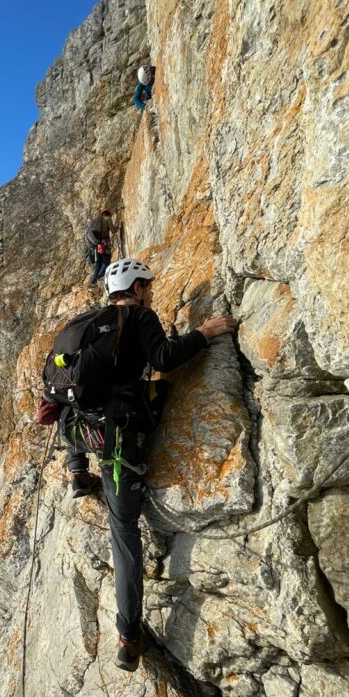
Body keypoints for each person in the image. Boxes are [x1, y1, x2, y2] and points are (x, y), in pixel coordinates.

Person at [60, 257, 237, 671]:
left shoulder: (88, 322)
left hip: (79, 432)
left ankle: (76, 473)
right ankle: (128, 637)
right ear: (136, 289)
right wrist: (204, 332)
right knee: (124, 536)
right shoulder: (139, 316)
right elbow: (163, 358)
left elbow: (64, 390)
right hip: (120, 440)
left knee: (84, 434)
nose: (151, 292)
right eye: (148, 286)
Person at [84, 209, 116, 286]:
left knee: (98, 265)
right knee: (105, 262)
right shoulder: (107, 219)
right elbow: (113, 231)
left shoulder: (94, 221)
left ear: (101, 214)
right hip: (102, 245)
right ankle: (98, 279)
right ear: (108, 215)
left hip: (94, 246)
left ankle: (93, 282)